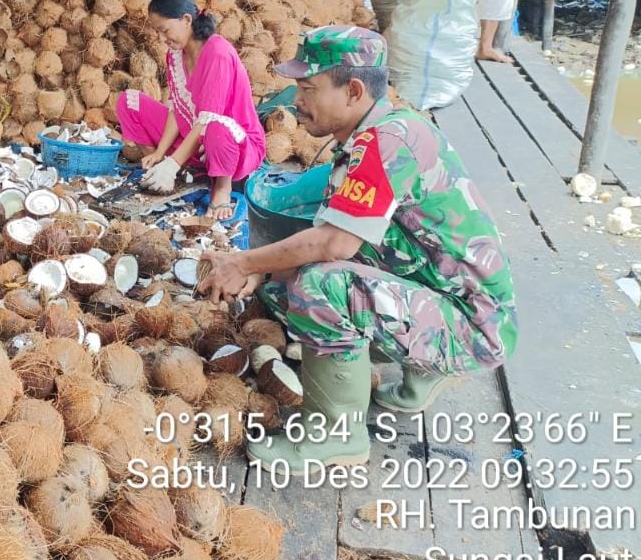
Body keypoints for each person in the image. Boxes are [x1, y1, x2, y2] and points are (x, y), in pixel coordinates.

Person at [197, 27, 518, 474]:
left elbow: (334, 244)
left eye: (308, 88)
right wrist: (264, 272)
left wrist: (243, 261)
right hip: (448, 296)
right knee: (285, 281)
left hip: (474, 325)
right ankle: (423, 373)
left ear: (352, 90)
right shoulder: (377, 131)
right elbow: (337, 233)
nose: (296, 100)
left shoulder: (388, 143)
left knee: (318, 286)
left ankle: (336, 437)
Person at [115, 0, 266, 220]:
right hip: (196, 140)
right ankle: (164, 173)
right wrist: (162, 156)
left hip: (232, 144)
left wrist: (173, 163)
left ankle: (221, 188)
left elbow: (207, 119)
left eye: (165, 30)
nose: (162, 39)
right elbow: (177, 107)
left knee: (216, 127)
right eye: (158, 33)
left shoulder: (217, 52)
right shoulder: (176, 54)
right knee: (129, 101)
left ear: (186, 19)